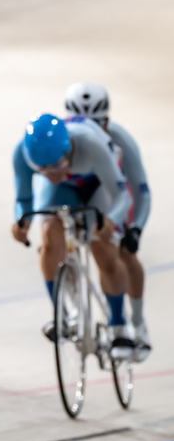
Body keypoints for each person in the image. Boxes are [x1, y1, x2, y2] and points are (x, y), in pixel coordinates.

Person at [11, 113, 135, 358]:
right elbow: (24, 200)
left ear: (70, 150)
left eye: (57, 165)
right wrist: (21, 222)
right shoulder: (22, 155)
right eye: (42, 170)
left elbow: (123, 196)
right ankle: (62, 315)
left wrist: (110, 221)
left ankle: (120, 326)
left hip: (98, 186)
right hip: (62, 191)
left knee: (103, 248)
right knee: (49, 234)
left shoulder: (91, 145)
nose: (51, 173)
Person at [65, 82, 151, 361]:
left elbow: (140, 190)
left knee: (121, 251)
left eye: (96, 123)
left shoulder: (121, 141)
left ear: (107, 122)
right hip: (79, 193)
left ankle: (136, 324)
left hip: (112, 193)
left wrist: (135, 228)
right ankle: (70, 306)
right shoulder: (63, 139)